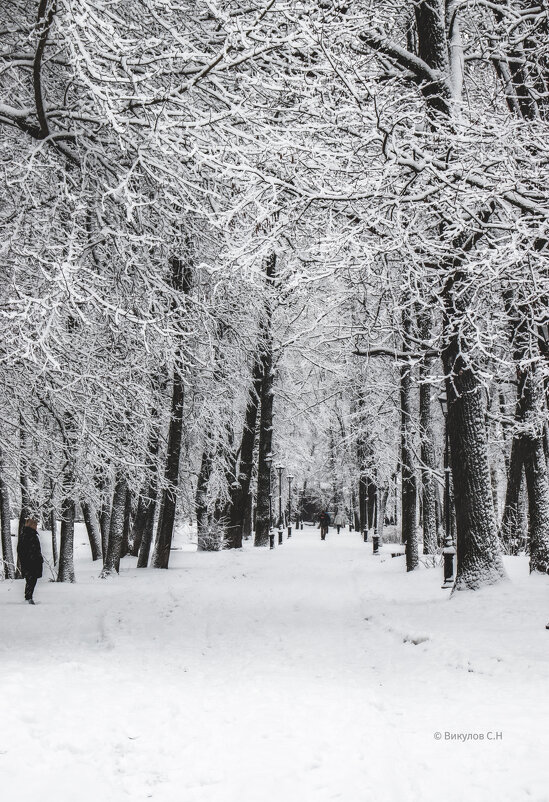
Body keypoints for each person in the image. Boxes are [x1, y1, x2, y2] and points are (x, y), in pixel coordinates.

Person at [17, 518, 43, 605]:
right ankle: (28, 598)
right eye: (35, 525)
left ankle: (28, 597)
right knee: (31, 580)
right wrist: (33, 558)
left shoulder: (26, 534)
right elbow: (25, 550)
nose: (36, 527)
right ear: (32, 525)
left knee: (31, 580)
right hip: (31, 562)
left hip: (30, 562)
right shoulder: (29, 535)